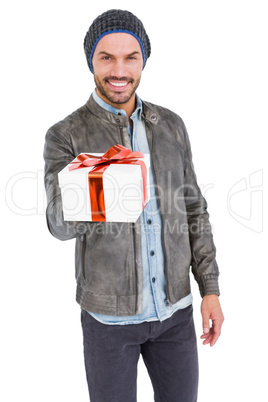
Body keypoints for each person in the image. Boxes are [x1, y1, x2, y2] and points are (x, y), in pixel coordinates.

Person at [44, 9, 224, 402]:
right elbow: (58, 223)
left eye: (131, 57)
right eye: (106, 57)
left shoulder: (171, 125)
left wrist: (209, 288)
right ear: (91, 59)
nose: (119, 70)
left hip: (175, 314)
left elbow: (194, 210)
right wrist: (107, 182)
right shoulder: (65, 135)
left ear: (143, 60)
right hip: (108, 321)